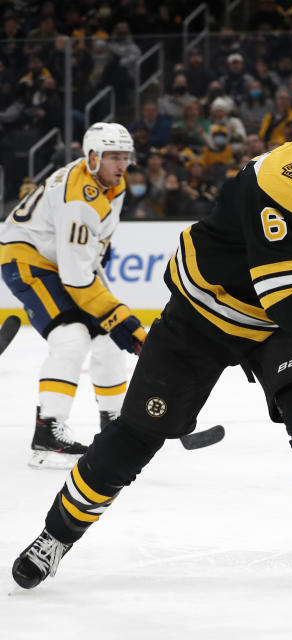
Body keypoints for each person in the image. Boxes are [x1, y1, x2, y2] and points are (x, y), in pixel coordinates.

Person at [10, 86, 292, 605]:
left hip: (281, 324)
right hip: (204, 315)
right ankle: (55, 536)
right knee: (137, 434)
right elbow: (286, 294)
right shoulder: (285, 175)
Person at [0, 122, 146, 470]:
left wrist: (98, 251)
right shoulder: (79, 197)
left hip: (61, 257)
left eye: (124, 156)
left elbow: (87, 252)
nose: (121, 164)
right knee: (71, 337)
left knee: (109, 340)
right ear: (92, 157)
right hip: (28, 259)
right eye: (113, 157)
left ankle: (115, 428)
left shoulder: (113, 182)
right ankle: (48, 433)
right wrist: (120, 317)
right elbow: (76, 279)